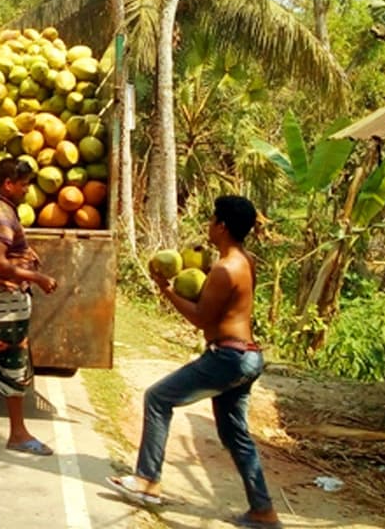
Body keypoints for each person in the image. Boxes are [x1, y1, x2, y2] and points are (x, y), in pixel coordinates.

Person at [106, 195, 282, 529]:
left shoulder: (224, 269)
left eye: (213, 219)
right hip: (248, 355)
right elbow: (222, 305)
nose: (209, 225)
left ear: (222, 226)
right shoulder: (245, 261)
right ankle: (263, 511)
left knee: (158, 398)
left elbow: (202, 318)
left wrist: (166, 290)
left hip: (228, 357)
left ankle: (147, 481)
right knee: (235, 433)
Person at [0, 158, 58, 456]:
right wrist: (37, 277)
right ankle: (18, 433)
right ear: (8, 184)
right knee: (14, 364)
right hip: (3, 300)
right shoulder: (2, 217)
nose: (28, 190)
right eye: (24, 184)